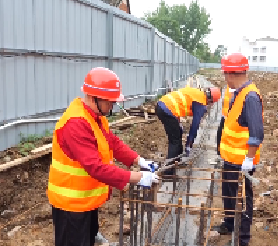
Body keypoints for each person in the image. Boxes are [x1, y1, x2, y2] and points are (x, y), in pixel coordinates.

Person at [46, 67, 159, 246]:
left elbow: (112, 142)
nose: (112, 106)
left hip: (85, 201)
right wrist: (138, 177)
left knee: (88, 239)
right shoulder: (76, 123)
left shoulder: (95, 116)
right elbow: (95, 167)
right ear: (93, 98)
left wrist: (138, 160)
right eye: (109, 102)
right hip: (71, 204)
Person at [212, 53, 264, 246]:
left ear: (231, 73)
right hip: (230, 158)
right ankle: (229, 223)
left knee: (242, 199)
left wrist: (249, 160)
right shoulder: (237, 93)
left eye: (225, 74)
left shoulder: (250, 96)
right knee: (228, 193)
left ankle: (242, 240)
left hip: (241, 161)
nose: (225, 79)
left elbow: (256, 133)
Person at [155, 86, 221, 178]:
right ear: (211, 101)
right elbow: (194, 127)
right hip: (166, 110)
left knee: (178, 134)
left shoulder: (197, 93)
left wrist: (178, 123)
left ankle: (177, 161)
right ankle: (168, 173)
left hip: (162, 106)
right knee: (175, 141)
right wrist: (189, 144)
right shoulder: (200, 103)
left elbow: (177, 103)